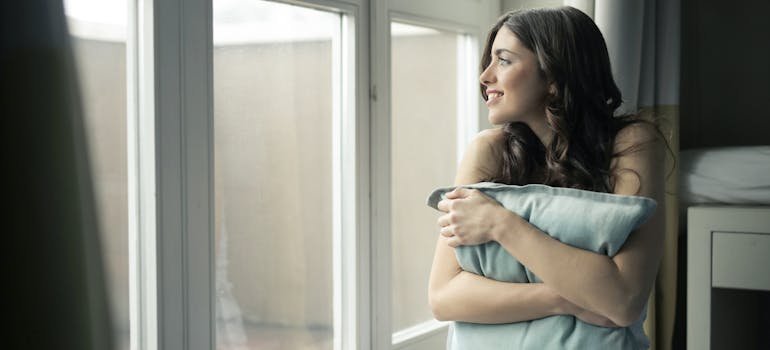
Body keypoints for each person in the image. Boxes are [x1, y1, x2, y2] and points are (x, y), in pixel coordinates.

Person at [427, 6, 667, 347]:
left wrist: (500, 224)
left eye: (504, 60)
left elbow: (624, 301)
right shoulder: (488, 150)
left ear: (553, 77)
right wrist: (563, 298)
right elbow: (443, 297)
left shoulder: (631, 143)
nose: (485, 76)